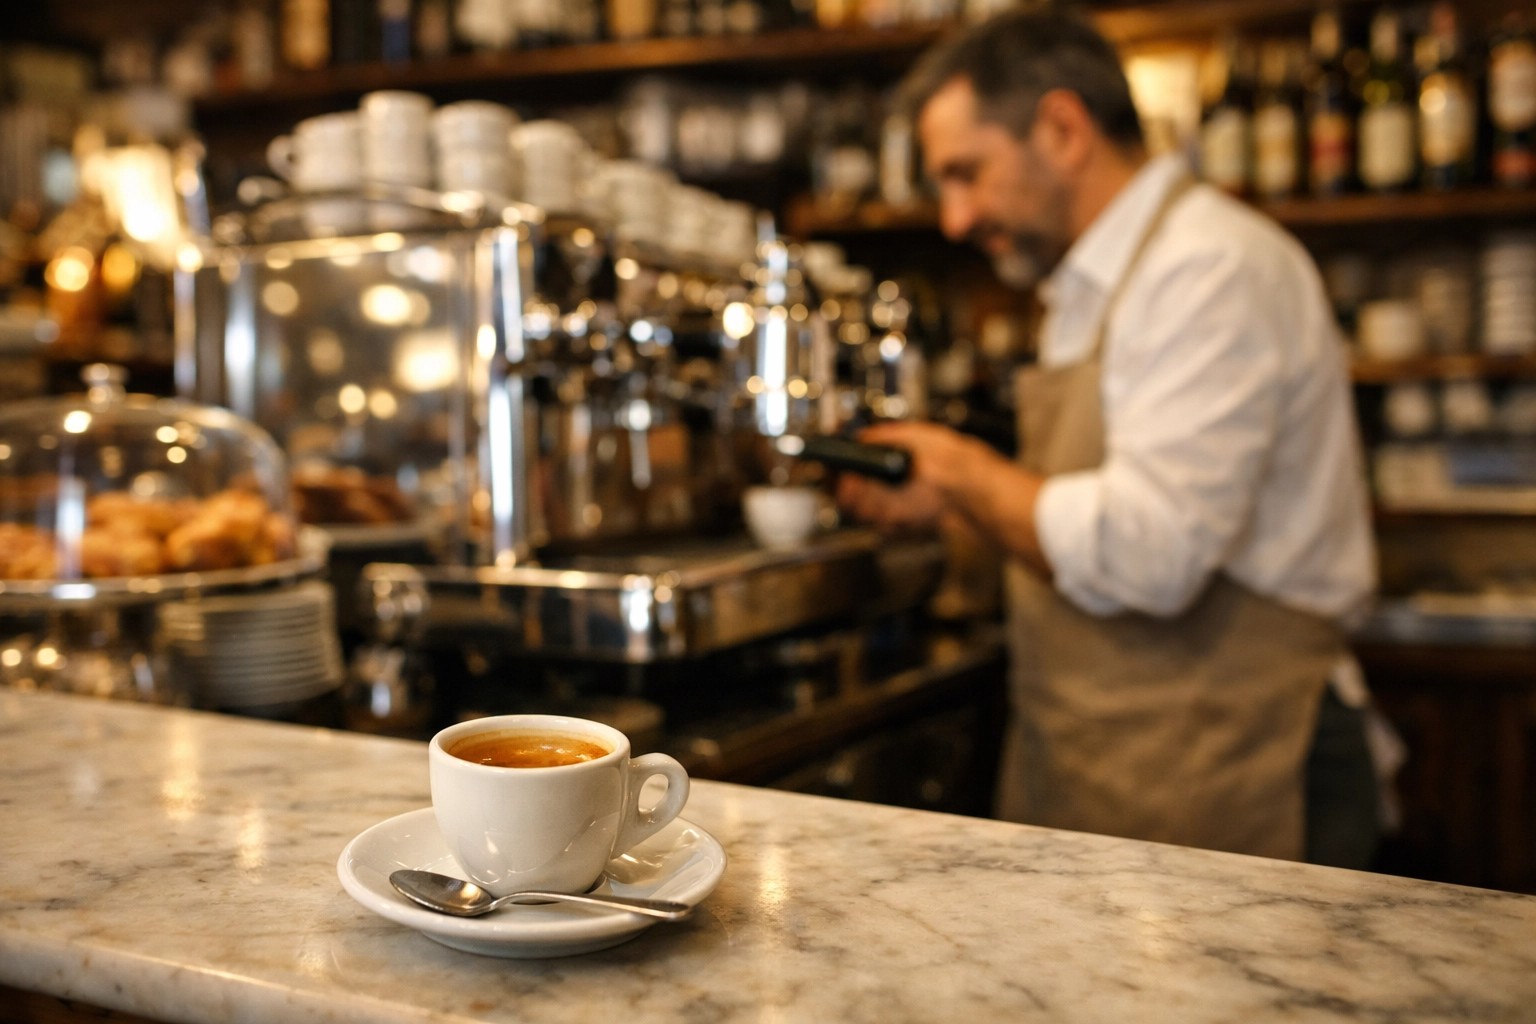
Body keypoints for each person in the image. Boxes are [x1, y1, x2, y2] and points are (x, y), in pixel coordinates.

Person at [837, 8, 1381, 866]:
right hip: (1118, 762)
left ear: (1062, 129)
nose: (954, 217)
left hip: (1240, 764)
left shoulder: (1206, 266)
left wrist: (963, 470)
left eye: (966, 173)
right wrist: (951, 504)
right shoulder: (1087, 286)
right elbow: (1081, 511)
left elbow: (1152, 553)